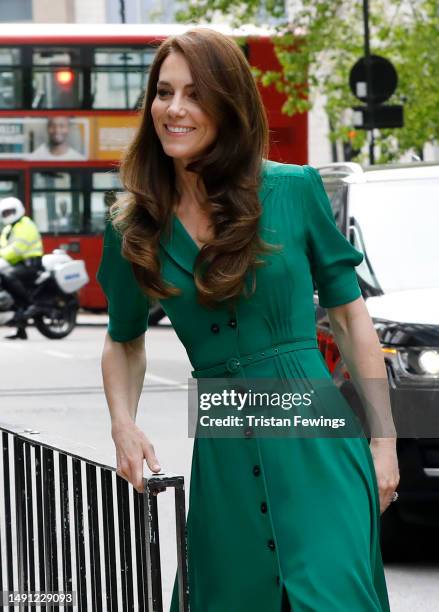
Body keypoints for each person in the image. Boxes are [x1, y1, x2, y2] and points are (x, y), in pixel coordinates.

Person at [97, 28, 399, 612]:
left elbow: (349, 317)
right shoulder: (133, 226)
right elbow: (123, 341)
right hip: (225, 450)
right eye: (164, 92)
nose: (175, 109)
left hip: (318, 447)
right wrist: (122, 423)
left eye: (195, 94)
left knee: (334, 598)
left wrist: (384, 443)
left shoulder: (293, 189)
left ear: (229, 106)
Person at [0, 197, 43, 339]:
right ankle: (21, 331)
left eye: (10, 212)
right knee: (10, 290)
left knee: (8, 276)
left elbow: (16, 249)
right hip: (18, 264)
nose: (7, 215)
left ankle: (31, 304)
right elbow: (2, 246)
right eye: (5, 213)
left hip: (31, 265)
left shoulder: (26, 224)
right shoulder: (8, 228)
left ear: (18, 209)